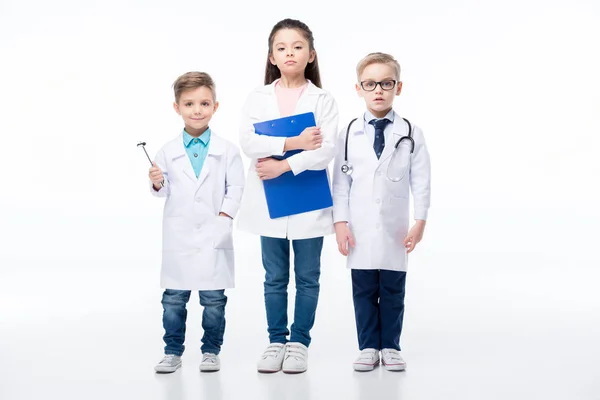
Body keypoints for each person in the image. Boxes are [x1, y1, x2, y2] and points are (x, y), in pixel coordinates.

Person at [237, 18, 339, 374]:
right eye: (281, 48)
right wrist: (295, 143)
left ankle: (299, 342)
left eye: (297, 46)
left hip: (307, 198)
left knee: (308, 276)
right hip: (270, 202)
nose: (289, 52)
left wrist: (284, 166)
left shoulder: (323, 99)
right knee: (275, 276)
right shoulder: (257, 97)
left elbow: (326, 150)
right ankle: (276, 340)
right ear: (272, 57)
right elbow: (249, 142)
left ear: (311, 55)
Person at [332, 52, 431, 371]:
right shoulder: (348, 132)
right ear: (358, 88)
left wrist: (420, 220)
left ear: (398, 87)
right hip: (358, 225)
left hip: (395, 225)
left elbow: (422, 178)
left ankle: (390, 346)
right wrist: (340, 223)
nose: (378, 90)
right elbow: (341, 183)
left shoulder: (411, 132)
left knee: (391, 289)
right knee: (362, 289)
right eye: (370, 83)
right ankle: (367, 346)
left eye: (386, 83)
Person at [148, 72, 245, 373]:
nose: (197, 110)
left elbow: (237, 188)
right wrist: (156, 182)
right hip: (180, 237)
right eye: (189, 104)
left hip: (214, 235)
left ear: (216, 106)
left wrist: (223, 218)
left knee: (214, 300)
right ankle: (172, 351)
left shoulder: (227, 150)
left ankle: (211, 351)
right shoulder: (166, 151)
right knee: (173, 300)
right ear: (176, 107)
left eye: (204, 103)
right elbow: (164, 192)